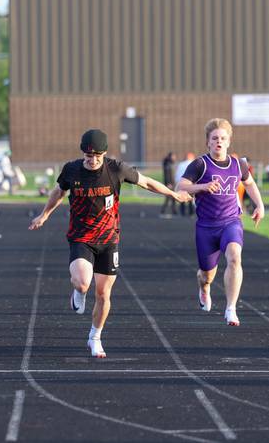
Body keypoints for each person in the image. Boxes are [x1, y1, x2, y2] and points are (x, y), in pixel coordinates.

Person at [28, 129, 190, 358]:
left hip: (108, 239)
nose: (92, 161)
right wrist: (44, 214)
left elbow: (146, 182)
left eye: (97, 156)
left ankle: (95, 337)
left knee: (103, 294)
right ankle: (79, 292)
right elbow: (58, 192)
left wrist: (173, 195)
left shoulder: (116, 168)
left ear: (104, 154)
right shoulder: (71, 170)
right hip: (81, 237)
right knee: (83, 283)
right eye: (88, 156)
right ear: (83, 153)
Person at [176, 119, 264, 327]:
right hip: (206, 226)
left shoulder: (238, 164)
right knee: (207, 275)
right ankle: (204, 288)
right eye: (214, 138)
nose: (219, 142)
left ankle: (231, 308)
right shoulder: (200, 164)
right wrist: (203, 186)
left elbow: (250, 184)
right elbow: (182, 185)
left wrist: (260, 205)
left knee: (235, 257)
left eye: (223, 138)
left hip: (231, 222)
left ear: (229, 141)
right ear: (207, 142)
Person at [175, 152, 196, 216]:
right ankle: (191, 213)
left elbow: (177, 174)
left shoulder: (181, 164)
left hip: (181, 183)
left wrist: (177, 182)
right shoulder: (193, 164)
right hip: (190, 184)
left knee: (182, 198)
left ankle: (182, 213)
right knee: (190, 198)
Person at [160, 152, 178, 218]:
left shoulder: (171, 163)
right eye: (173, 156)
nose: (175, 158)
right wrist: (168, 183)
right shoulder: (167, 164)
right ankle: (162, 211)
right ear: (170, 157)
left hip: (172, 183)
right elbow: (167, 175)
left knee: (173, 198)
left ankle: (174, 211)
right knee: (168, 198)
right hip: (169, 184)